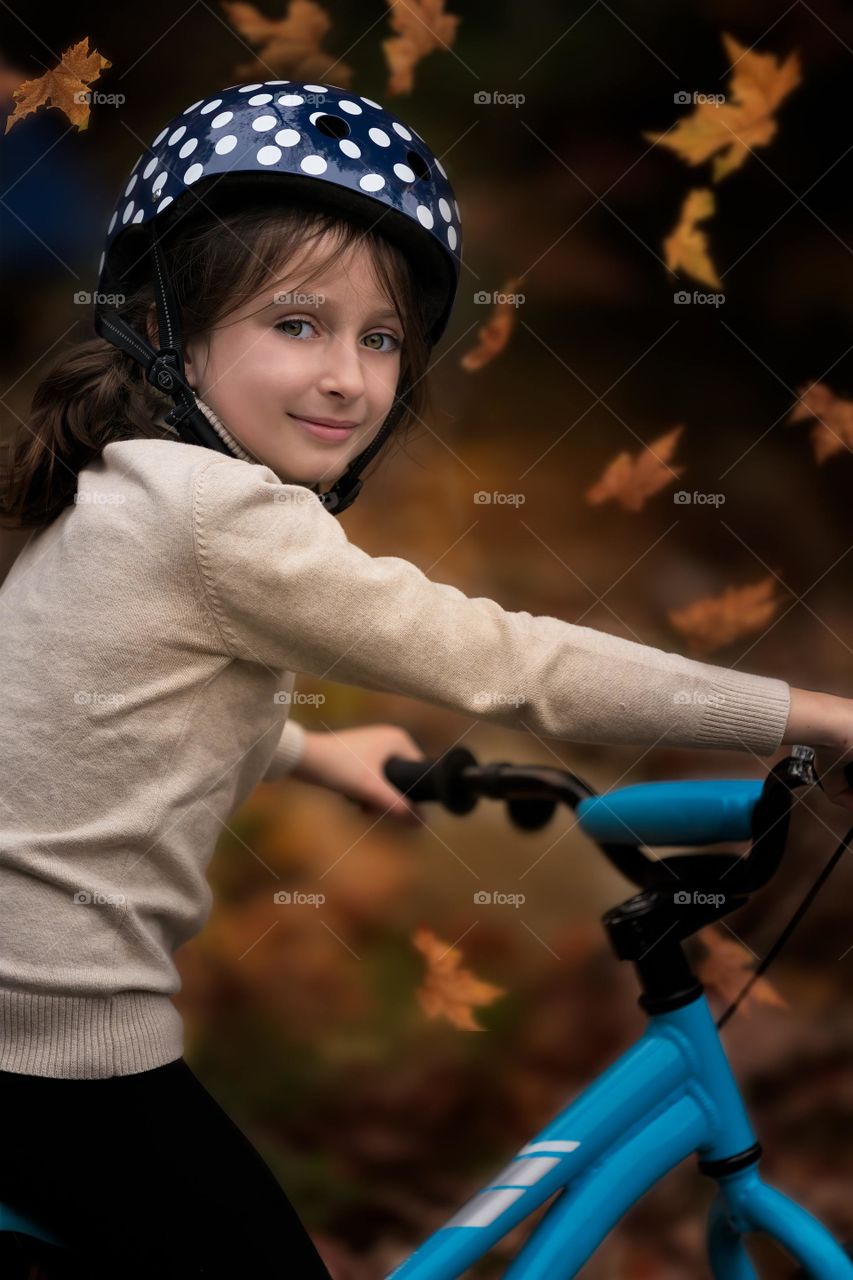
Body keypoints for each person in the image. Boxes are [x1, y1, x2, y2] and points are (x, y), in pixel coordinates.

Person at [0, 79, 851, 1279]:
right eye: (297, 322)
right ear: (173, 328)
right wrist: (806, 713)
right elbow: (514, 662)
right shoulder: (216, 520)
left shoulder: (129, 493)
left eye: (380, 335)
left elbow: (96, 718)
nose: (347, 375)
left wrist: (309, 751)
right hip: (46, 1039)